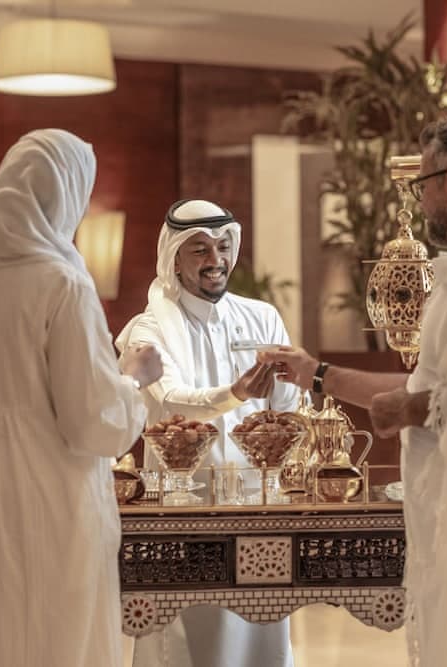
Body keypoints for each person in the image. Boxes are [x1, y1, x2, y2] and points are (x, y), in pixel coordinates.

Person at [262, 111, 447, 666]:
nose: (421, 200)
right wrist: (317, 374)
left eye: (424, 184)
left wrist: (408, 409)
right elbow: (441, 390)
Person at [0, 129, 163, 667]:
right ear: (66, 197)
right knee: (47, 631)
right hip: (50, 501)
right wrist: (133, 378)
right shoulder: (64, 285)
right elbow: (93, 423)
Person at [116, 198, 299, 667]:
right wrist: (237, 392)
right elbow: (172, 397)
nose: (215, 260)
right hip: (184, 512)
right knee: (187, 641)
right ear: (174, 258)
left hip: (257, 509)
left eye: (222, 246)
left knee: (261, 635)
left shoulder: (262, 318)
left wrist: (290, 385)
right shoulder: (147, 329)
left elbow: (288, 407)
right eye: (199, 249)